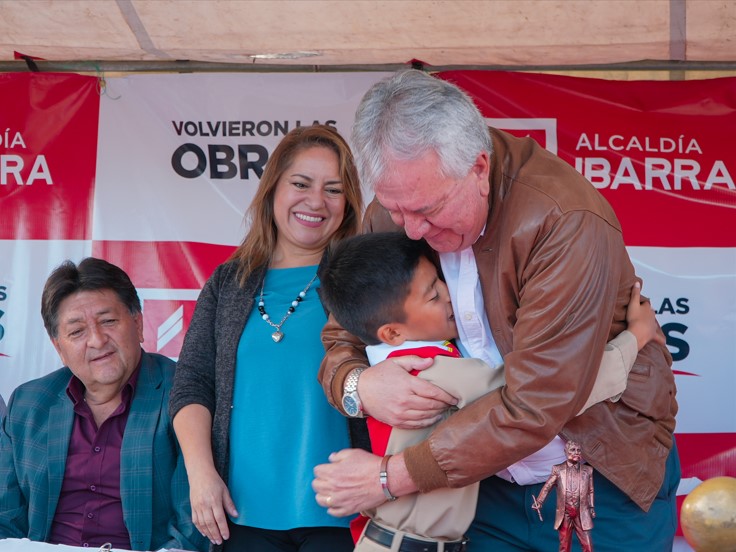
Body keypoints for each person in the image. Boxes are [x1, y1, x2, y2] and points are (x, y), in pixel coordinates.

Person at [313, 70, 680, 551]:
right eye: (395, 210)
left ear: (479, 169)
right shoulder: (402, 202)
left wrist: (390, 477)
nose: (412, 231)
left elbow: (536, 401)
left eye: (428, 210)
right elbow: (344, 333)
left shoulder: (562, 220)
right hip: (478, 489)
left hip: (597, 478)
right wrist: (359, 386)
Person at [317, 232, 663, 551]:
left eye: (441, 279)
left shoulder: (382, 363)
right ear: (392, 332)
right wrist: (635, 339)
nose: (448, 292)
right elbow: (547, 395)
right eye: (434, 295)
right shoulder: (434, 370)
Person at [169, 124, 365, 552]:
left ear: (348, 203)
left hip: (343, 519)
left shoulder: (364, 282)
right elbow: (192, 385)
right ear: (273, 187)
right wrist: (201, 474)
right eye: (301, 183)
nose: (316, 201)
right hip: (240, 517)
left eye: (333, 189)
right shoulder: (229, 281)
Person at [0, 257, 204, 551]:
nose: (97, 340)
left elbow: (193, 523)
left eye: (108, 321)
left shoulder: (182, 396)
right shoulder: (29, 404)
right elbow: (6, 517)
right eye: (77, 331)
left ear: (138, 322)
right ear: (59, 347)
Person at [532, 441, 595, 552]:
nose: (576, 453)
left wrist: (592, 507)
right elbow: (548, 486)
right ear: (565, 452)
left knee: (588, 544)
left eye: (578, 450)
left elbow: (590, 490)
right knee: (564, 544)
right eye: (573, 450)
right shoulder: (558, 469)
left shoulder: (588, 470)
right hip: (564, 512)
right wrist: (539, 501)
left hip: (581, 512)